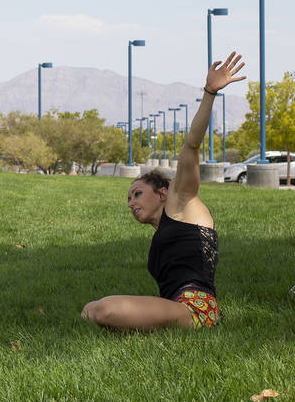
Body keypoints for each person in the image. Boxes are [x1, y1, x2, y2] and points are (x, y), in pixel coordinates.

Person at [81, 50, 245, 331]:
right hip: (177, 307)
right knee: (89, 310)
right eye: (129, 198)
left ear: (162, 192)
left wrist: (209, 92)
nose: (131, 203)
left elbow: (191, 145)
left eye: (137, 194)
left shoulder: (182, 203)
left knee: (104, 310)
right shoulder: (163, 232)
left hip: (197, 308)